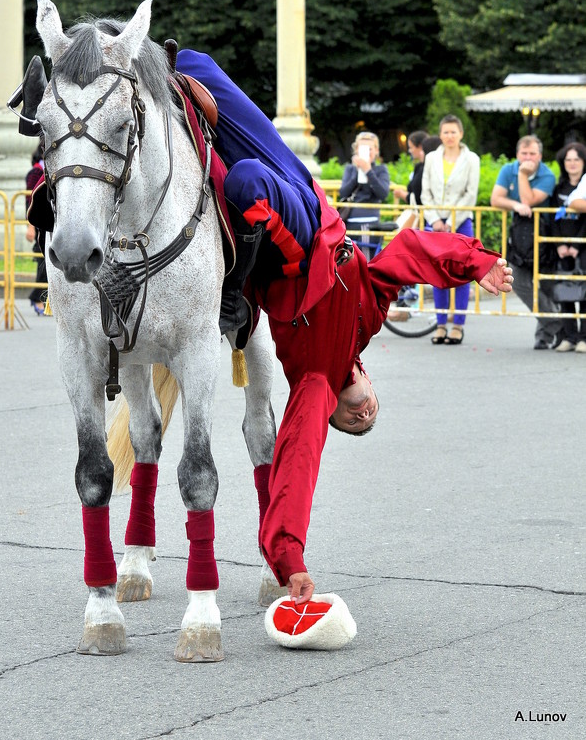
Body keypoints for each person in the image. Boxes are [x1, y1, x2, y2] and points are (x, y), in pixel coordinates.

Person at [176, 50, 513, 604]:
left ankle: (229, 280)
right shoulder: (369, 320)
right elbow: (410, 253)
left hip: (277, 242)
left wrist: (288, 557)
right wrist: (476, 262)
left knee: (243, 181)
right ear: (373, 389)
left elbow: (297, 466)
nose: (361, 414)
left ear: (332, 411)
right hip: (309, 207)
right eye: (369, 415)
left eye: (350, 423)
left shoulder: (314, 382)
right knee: (198, 66)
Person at [490, 135, 563, 349]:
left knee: (547, 287)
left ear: (540, 156)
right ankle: (556, 323)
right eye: (524, 154)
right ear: (517, 154)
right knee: (519, 283)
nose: (528, 158)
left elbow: (529, 200)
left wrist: (522, 175)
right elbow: (496, 199)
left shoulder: (547, 175)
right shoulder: (508, 169)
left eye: (532, 154)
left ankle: (544, 335)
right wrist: (514, 205)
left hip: (544, 238)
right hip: (520, 238)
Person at [421, 115, 480, 345]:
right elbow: (425, 191)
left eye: (453, 132)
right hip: (435, 221)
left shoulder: (471, 159)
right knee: (438, 274)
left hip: (461, 221)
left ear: (461, 134)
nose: (449, 136)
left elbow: (471, 193)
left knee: (462, 273)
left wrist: (452, 220)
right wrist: (435, 219)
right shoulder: (431, 158)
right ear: (440, 134)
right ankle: (441, 324)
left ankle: (458, 325)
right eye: (445, 132)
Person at [550, 143, 586, 352]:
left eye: (577, 159)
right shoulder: (558, 189)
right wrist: (560, 244)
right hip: (562, 247)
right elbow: (552, 219)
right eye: (568, 160)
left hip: (582, 246)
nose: (572, 164)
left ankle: (583, 337)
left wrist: (576, 245)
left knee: (584, 292)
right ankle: (569, 336)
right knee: (564, 291)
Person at [338, 131, 390, 259]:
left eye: (370, 149)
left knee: (365, 261)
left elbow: (383, 194)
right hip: (349, 221)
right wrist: (358, 171)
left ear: (376, 150)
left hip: (369, 222)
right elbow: (343, 192)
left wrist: (368, 171)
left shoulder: (381, 169)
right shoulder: (350, 169)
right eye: (362, 149)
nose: (366, 152)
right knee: (348, 260)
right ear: (356, 150)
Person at [25, 145, 47, 314]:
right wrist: (30, 226)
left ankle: (43, 300)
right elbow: (29, 199)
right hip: (39, 222)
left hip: (49, 221)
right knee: (43, 265)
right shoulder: (36, 172)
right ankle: (37, 298)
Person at [392, 130, 429, 206]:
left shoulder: (426, 167)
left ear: (420, 147)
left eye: (411, 147)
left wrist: (402, 194)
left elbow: (419, 197)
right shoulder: (419, 166)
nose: (409, 151)